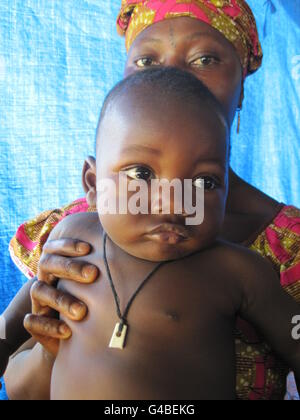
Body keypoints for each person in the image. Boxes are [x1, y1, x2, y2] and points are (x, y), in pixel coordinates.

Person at [4, 0, 300, 400]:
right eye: (147, 62)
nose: (170, 202)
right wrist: (48, 353)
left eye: (205, 59)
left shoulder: (255, 266)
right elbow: (15, 369)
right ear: (93, 181)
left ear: (243, 82)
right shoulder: (72, 235)